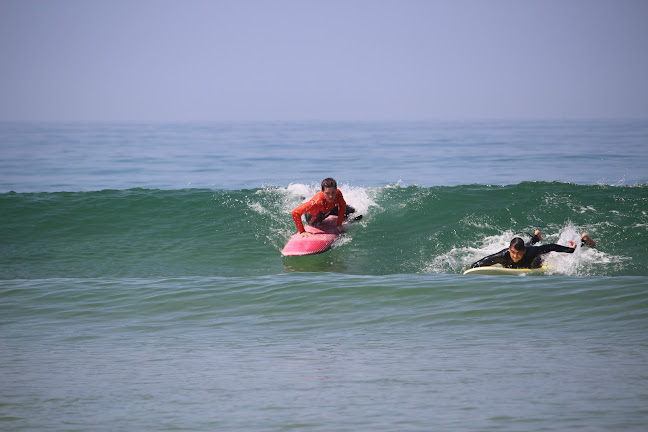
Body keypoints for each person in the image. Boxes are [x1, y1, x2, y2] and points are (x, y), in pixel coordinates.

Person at [470, 230, 596, 269]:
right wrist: (473, 268)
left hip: (532, 258)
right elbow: (482, 262)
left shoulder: (531, 252)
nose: (514, 256)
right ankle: (537, 236)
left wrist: (571, 250)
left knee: (535, 257)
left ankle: (584, 240)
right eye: (513, 252)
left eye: (518, 254)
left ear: (523, 252)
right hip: (526, 248)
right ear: (509, 249)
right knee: (530, 243)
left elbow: (551, 247)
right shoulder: (504, 255)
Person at [291, 178, 356, 237]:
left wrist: (339, 223)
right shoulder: (317, 202)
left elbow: (342, 206)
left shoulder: (338, 193)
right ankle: (305, 197)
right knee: (315, 222)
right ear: (322, 191)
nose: (331, 196)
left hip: (329, 209)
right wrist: (302, 231)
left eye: (333, 192)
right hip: (315, 216)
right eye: (327, 193)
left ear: (336, 189)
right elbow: (295, 212)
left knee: (352, 211)